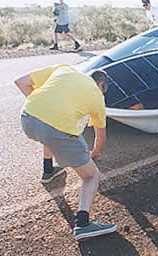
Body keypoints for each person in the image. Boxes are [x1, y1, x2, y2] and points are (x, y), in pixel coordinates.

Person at [14, 64, 116, 240]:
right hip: (55, 131)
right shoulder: (97, 97)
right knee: (91, 176)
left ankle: (48, 171)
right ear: (101, 86)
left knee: (49, 133)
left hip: (27, 118)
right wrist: (93, 155)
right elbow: (100, 137)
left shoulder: (64, 69)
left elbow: (21, 82)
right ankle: (83, 224)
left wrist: (41, 112)